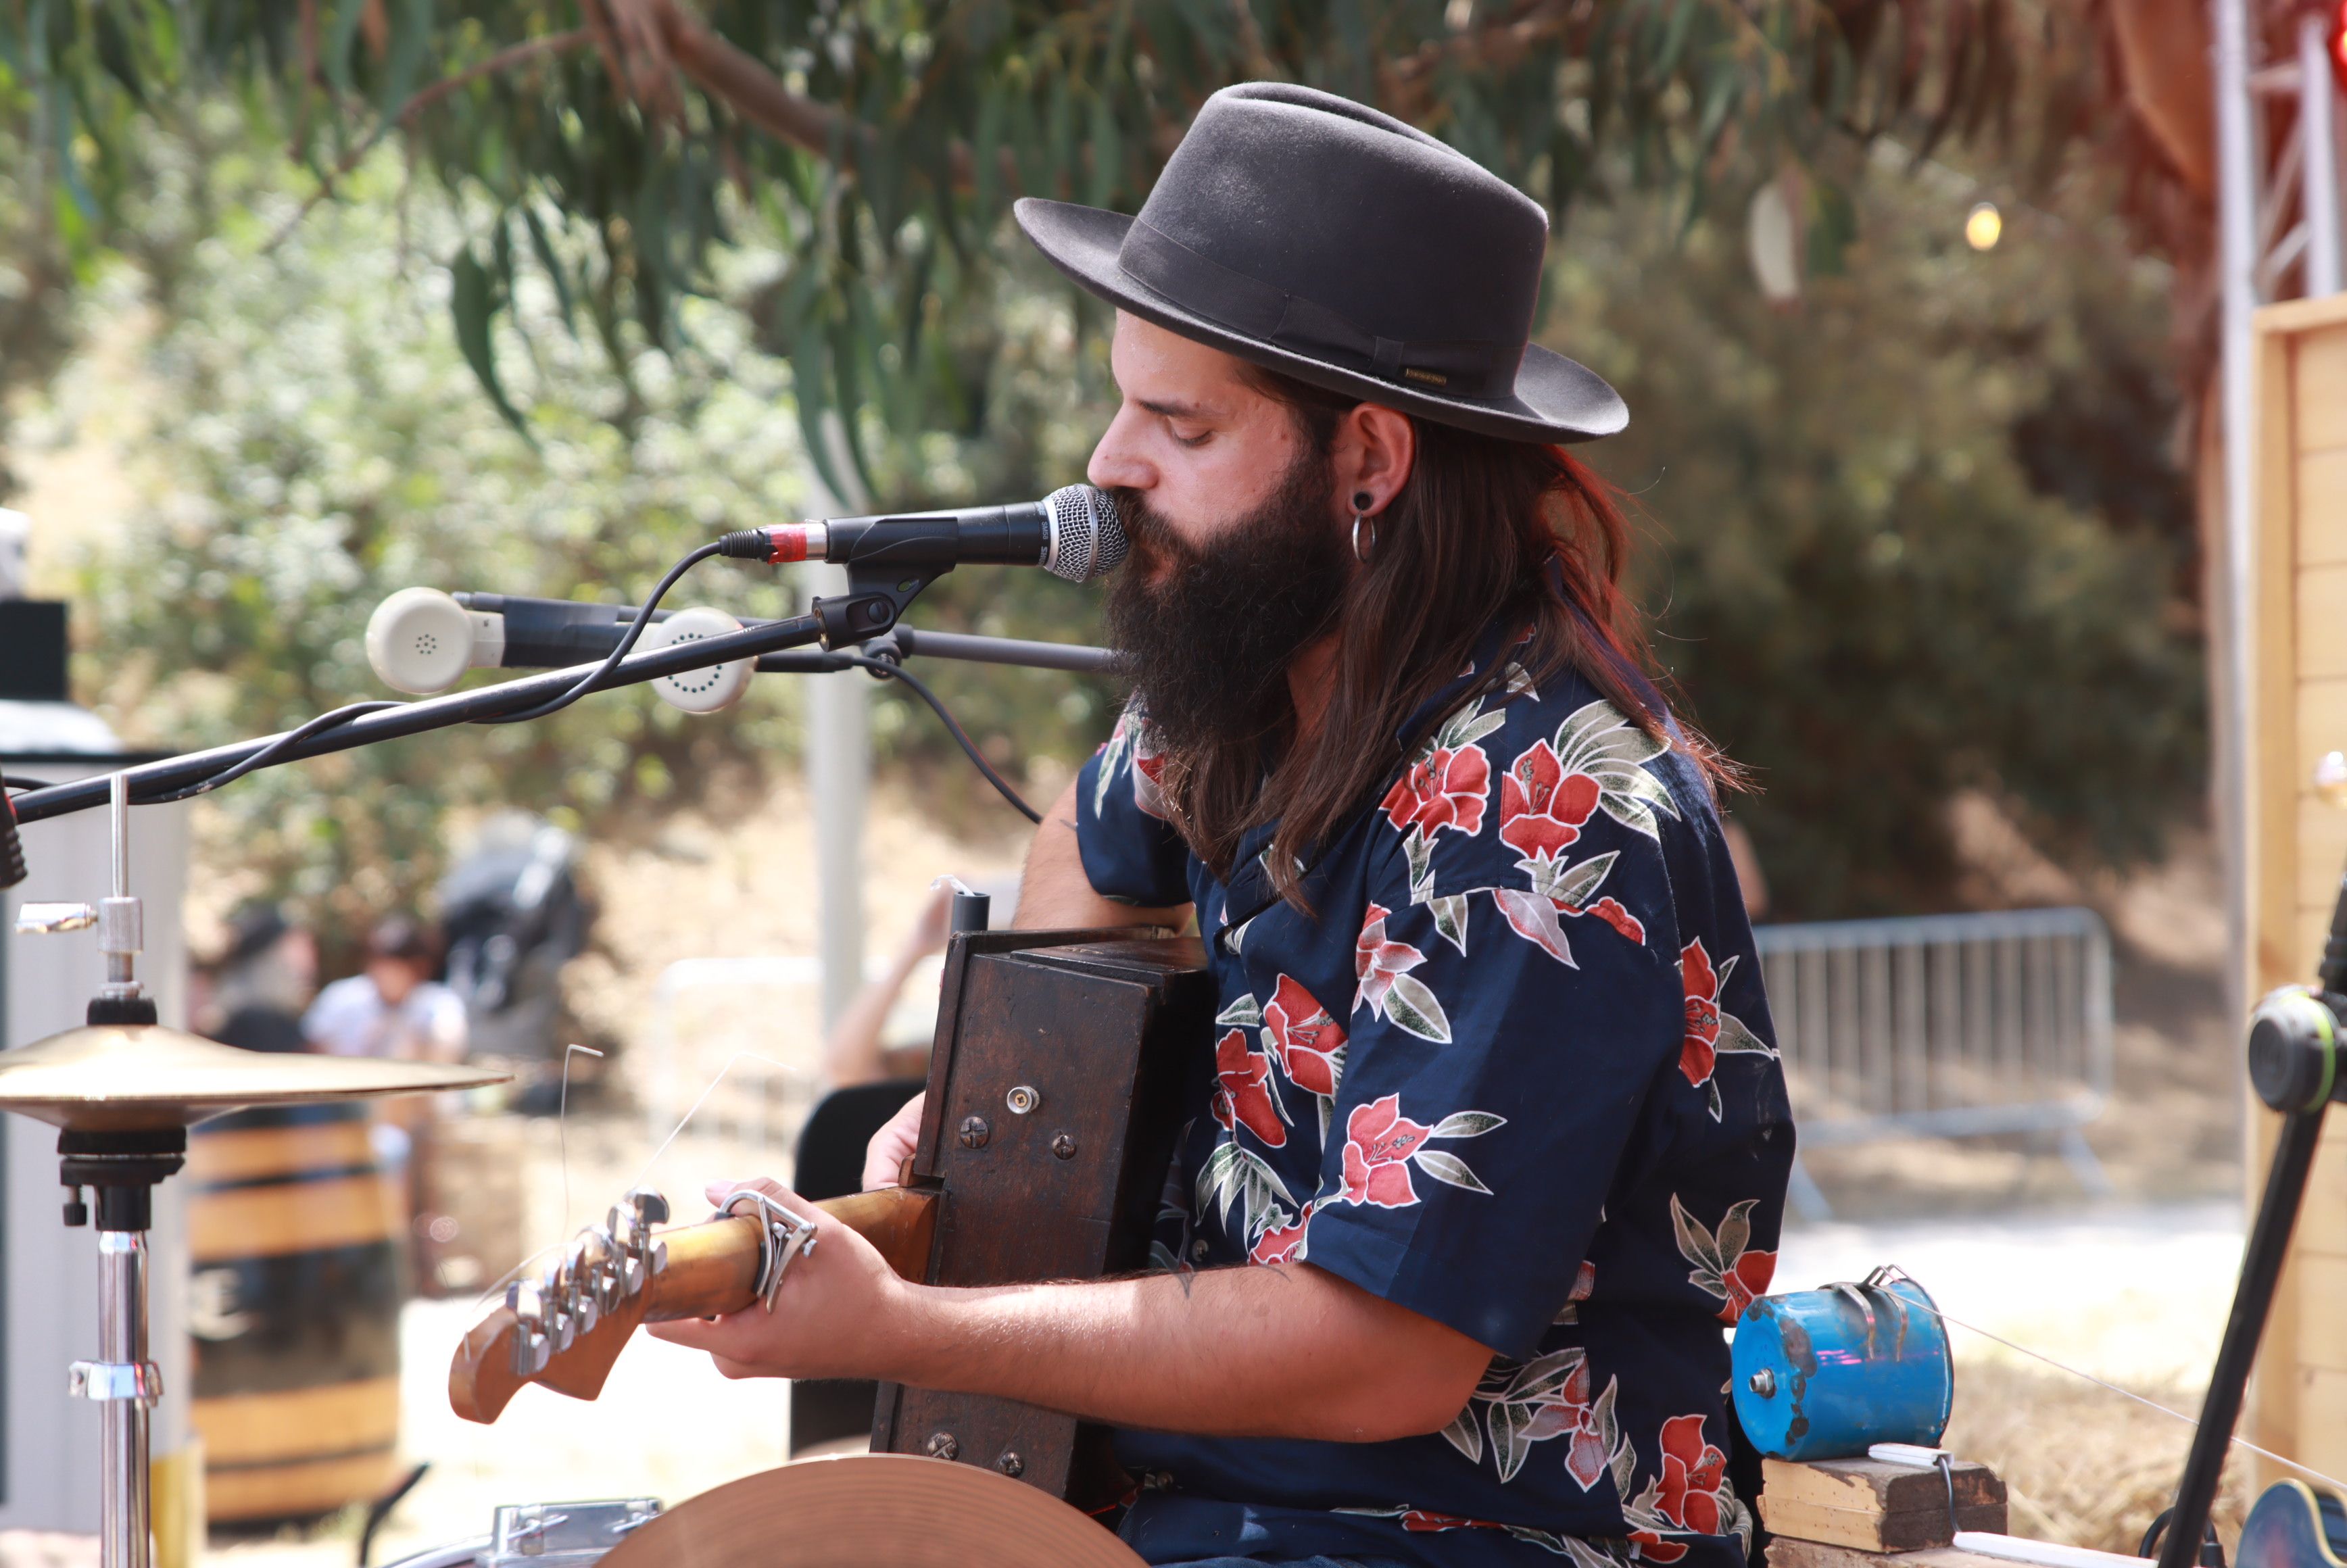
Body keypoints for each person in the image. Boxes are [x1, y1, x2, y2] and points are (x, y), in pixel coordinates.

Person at [653, 83, 1793, 1568]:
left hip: (1465, 1538)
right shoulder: (1241, 700)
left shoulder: (1535, 804)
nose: (1108, 462)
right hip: (1197, 1521)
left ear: (1369, 464)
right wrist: (1019, 1119)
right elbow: (1081, 847)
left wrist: (918, 1325)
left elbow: (1382, 1348)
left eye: (1177, 422)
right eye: (1123, 399)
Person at [304, 915, 469, 1064]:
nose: (382, 976)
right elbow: (312, 1051)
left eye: (392, 969)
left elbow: (447, 1052)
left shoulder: (440, 1004)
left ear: (419, 968)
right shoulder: (341, 998)